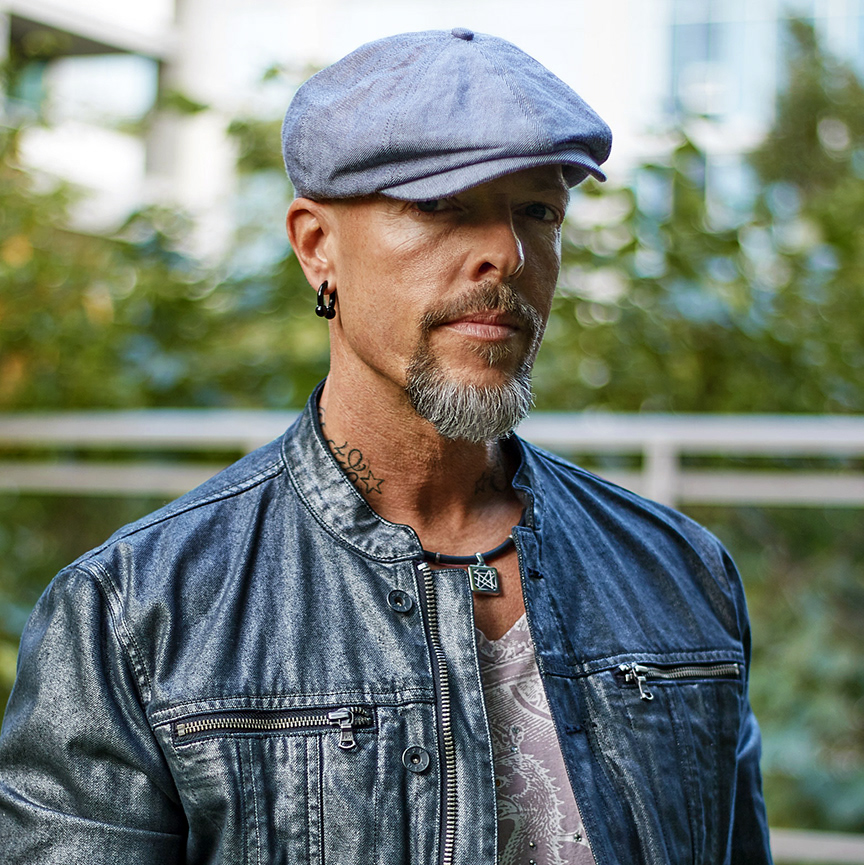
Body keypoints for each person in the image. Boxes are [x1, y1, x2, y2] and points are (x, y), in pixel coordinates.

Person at [0, 28, 773, 865]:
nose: (505, 253)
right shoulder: (133, 614)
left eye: (538, 211)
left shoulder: (681, 574)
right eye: (440, 206)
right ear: (316, 246)